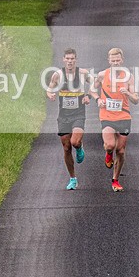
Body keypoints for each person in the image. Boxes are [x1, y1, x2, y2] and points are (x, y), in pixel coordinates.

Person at [91, 47, 139, 192]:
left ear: (122, 60)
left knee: (121, 151)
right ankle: (108, 153)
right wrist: (98, 99)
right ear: (109, 61)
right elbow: (92, 90)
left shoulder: (129, 77)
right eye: (113, 61)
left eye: (118, 60)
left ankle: (115, 180)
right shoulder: (102, 75)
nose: (116, 63)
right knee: (110, 145)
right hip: (107, 115)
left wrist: (128, 94)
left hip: (124, 116)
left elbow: (136, 99)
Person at [47, 48, 92, 190]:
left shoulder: (83, 73)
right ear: (63, 60)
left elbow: (95, 84)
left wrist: (88, 96)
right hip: (64, 116)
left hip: (78, 113)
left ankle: (79, 147)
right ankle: (73, 178)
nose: (70, 61)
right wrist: (50, 94)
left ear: (76, 59)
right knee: (66, 147)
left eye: (72, 59)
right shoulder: (58, 75)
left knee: (75, 141)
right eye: (67, 59)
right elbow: (50, 88)